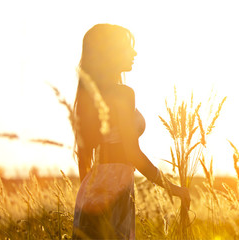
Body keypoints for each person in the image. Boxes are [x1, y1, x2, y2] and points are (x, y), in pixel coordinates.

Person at [72, 23, 190, 240]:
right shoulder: (123, 94)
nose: (134, 52)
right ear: (111, 52)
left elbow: (83, 156)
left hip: (90, 191)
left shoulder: (88, 95)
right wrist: (172, 188)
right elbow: (132, 153)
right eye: (128, 47)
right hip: (116, 188)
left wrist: (90, 196)